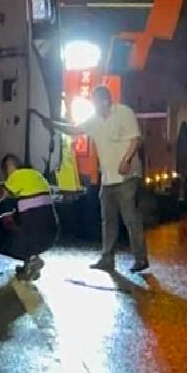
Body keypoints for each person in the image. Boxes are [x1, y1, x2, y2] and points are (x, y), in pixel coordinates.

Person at [41, 85, 149, 272]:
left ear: (106, 101)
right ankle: (107, 259)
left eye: (97, 102)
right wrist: (54, 125)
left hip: (126, 177)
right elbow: (75, 130)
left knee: (130, 218)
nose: (95, 106)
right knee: (108, 220)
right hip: (107, 179)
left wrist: (127, 160)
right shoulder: (95, 120)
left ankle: (141, 258)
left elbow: (136, 139)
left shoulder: (124, 113)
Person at [0, 154, 58, 280]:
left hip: (34, 235)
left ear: (9, 167)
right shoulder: (36, 175)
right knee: (18, 223)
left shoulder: (17, 175)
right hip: (50, 235)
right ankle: (30, 263)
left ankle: (30, 258)